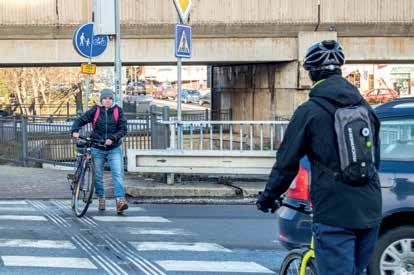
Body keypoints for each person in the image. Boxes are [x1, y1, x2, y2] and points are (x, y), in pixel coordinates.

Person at [256, 40, 382, 275]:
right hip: (370, 208)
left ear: (312, 73)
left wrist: (268, 197)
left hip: (334, 211)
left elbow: (287, 162)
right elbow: (375, 159)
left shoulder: (309, 112)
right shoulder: (366, 109)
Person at [71, 88, 129, 214]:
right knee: (97, 176)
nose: (107, 101)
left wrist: (112, 138)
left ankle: (120, 201)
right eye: (105, 98)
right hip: (97, 147)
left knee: (117, 174)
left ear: (113, 100)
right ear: (101, 99)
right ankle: (101, 198)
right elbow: (80, 120)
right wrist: (75, 130)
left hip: (114, 148)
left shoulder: (118, 111)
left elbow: (123, 129)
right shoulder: (95, 110)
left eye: (109, 98)